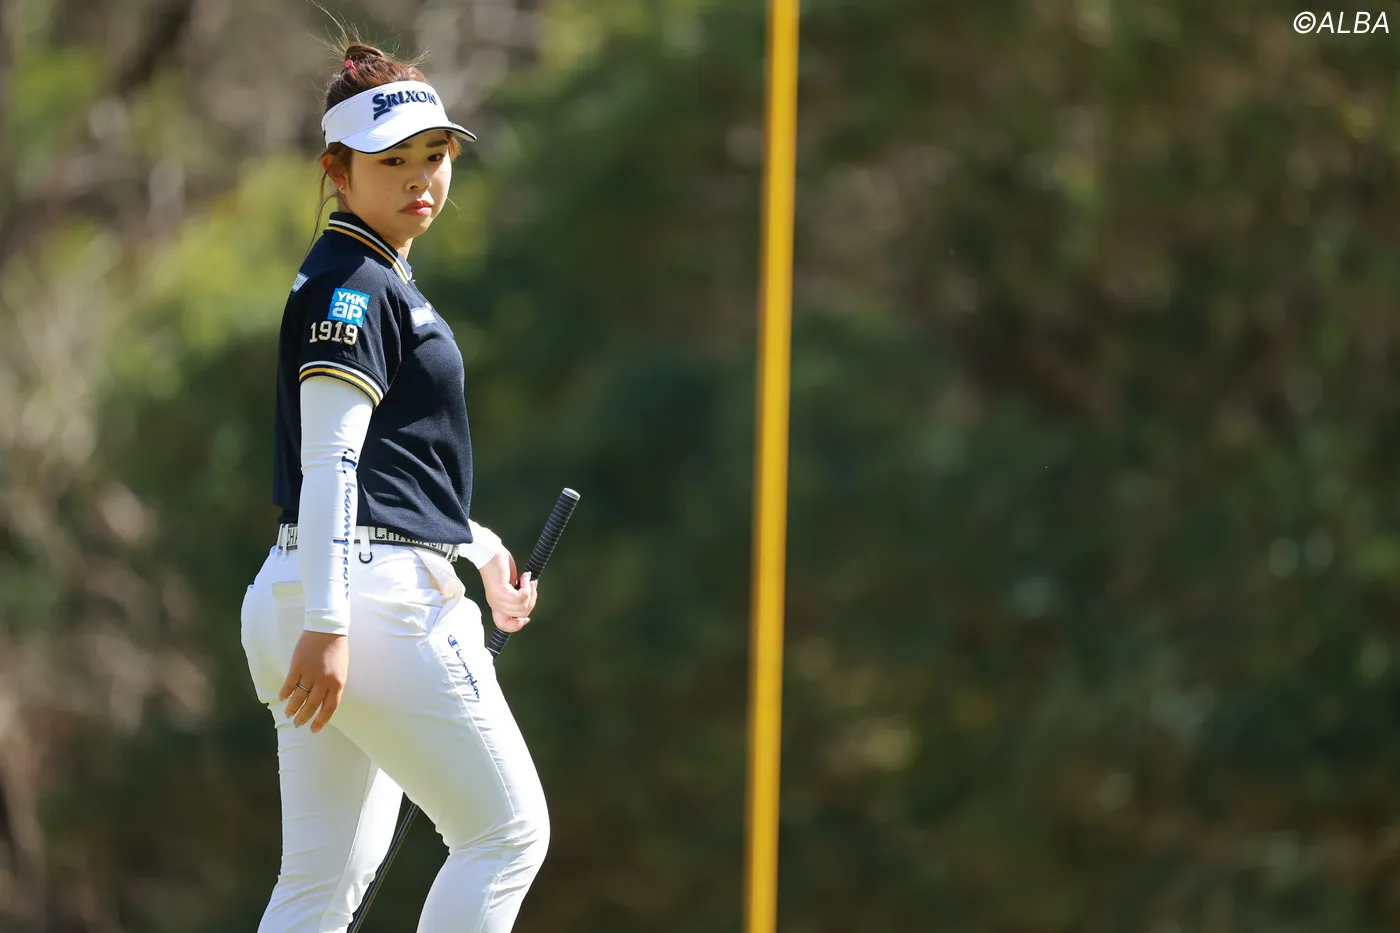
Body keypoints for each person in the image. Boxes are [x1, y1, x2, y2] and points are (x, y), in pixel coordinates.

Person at [240, 39, 549, 933]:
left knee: (318, 886)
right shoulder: (355, 286)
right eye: (391, 161)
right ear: (337, 172)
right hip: (360, 602)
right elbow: (331, 462)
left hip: (316, 588)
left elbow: (389, 474)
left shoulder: (366, 277)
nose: (420, 178)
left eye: (434, 154)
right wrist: (330, 625)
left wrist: (479, 550)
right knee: (505, 834)